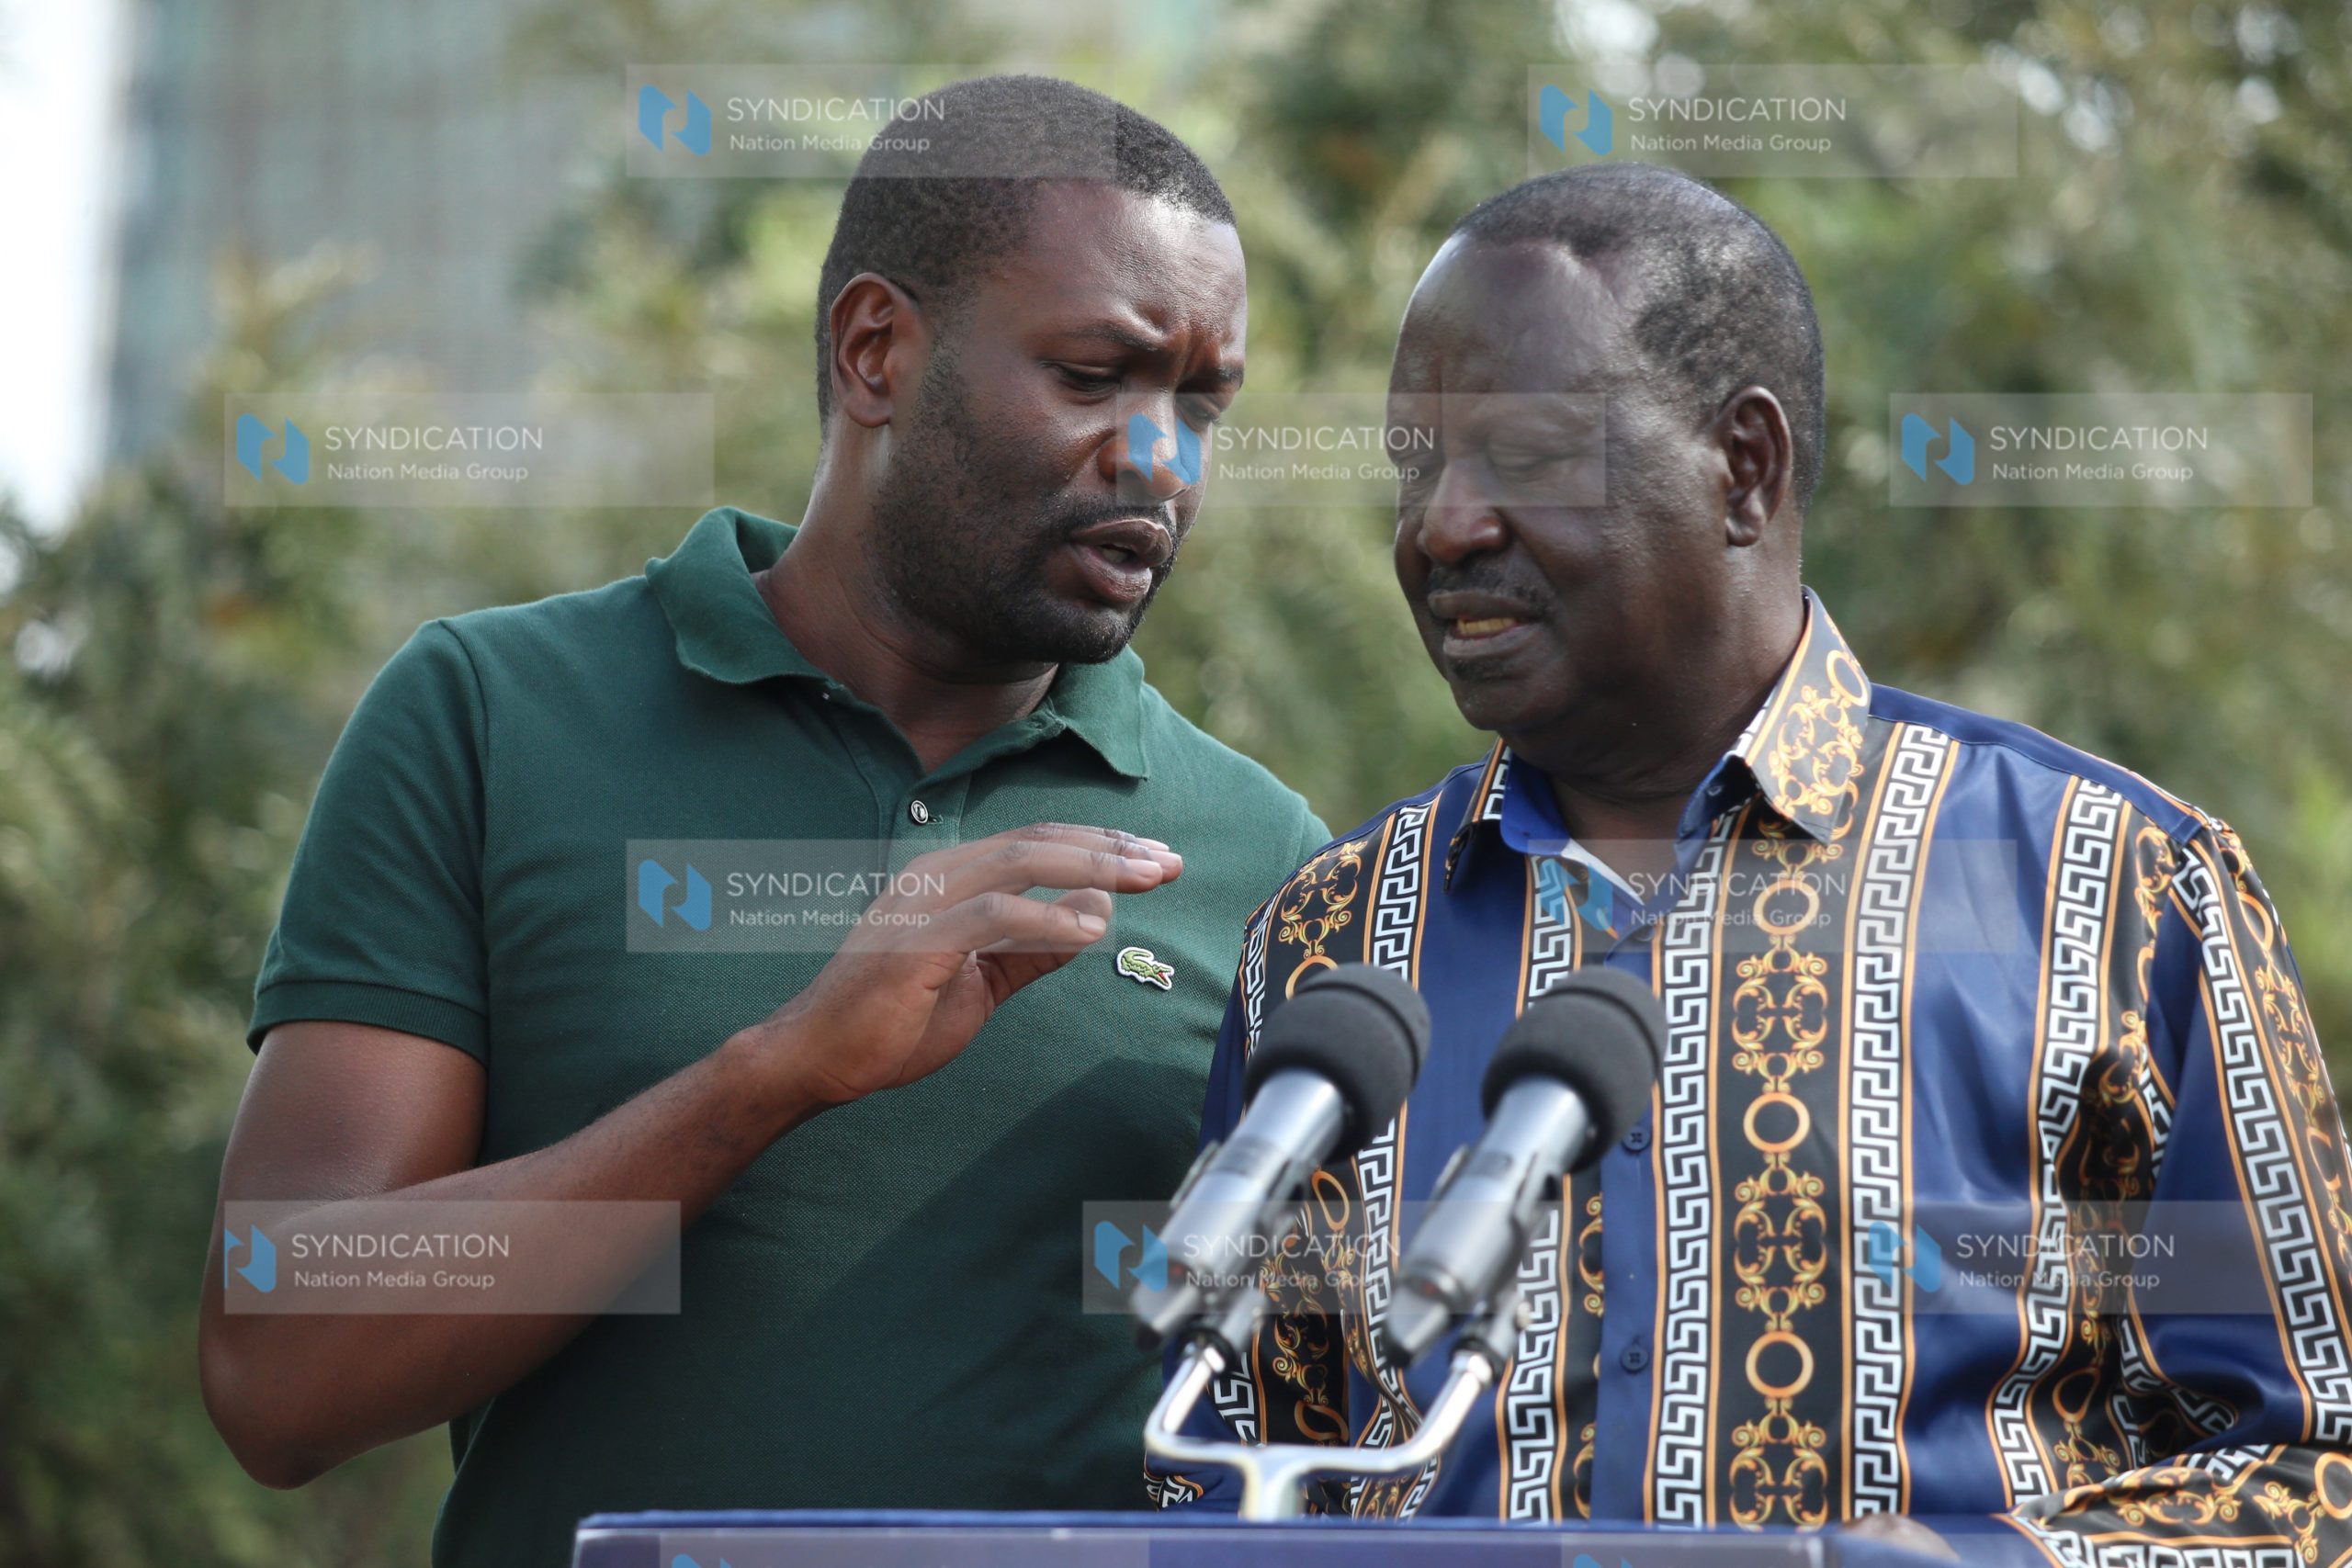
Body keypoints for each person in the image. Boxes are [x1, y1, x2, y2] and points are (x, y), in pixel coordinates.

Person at [1149, 163, 2352, 1564]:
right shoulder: (1331, 947)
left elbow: (2308, 1467)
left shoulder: (2120, 890)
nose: (1441, 527)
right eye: (1416, 467)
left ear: (1745, 467)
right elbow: (1234, 1481)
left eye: (1525, 456)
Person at [200, 74, 1328, 1568]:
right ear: (877, 352)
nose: (1161, 461)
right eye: (1092, 378)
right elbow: (279, 1371)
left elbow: (1320, 1423)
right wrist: (772, 1079)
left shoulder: (1269, 860)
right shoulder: (489, 717)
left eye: (1199, 403)